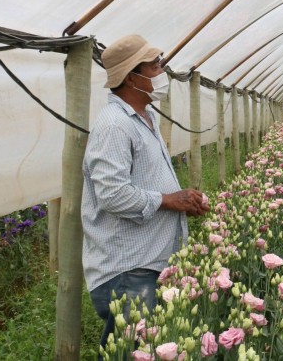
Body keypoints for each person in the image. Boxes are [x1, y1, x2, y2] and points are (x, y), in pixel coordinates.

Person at [82, 34, 210, 358]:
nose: (161, 72)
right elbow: (112, 194)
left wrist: (183, 201)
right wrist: (169, 200)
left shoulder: (145, 119)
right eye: (154, 66)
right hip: (128, 272)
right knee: (132, 353)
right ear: (131, 78)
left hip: (145, 267)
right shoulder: (115, 125)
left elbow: (142, 182)